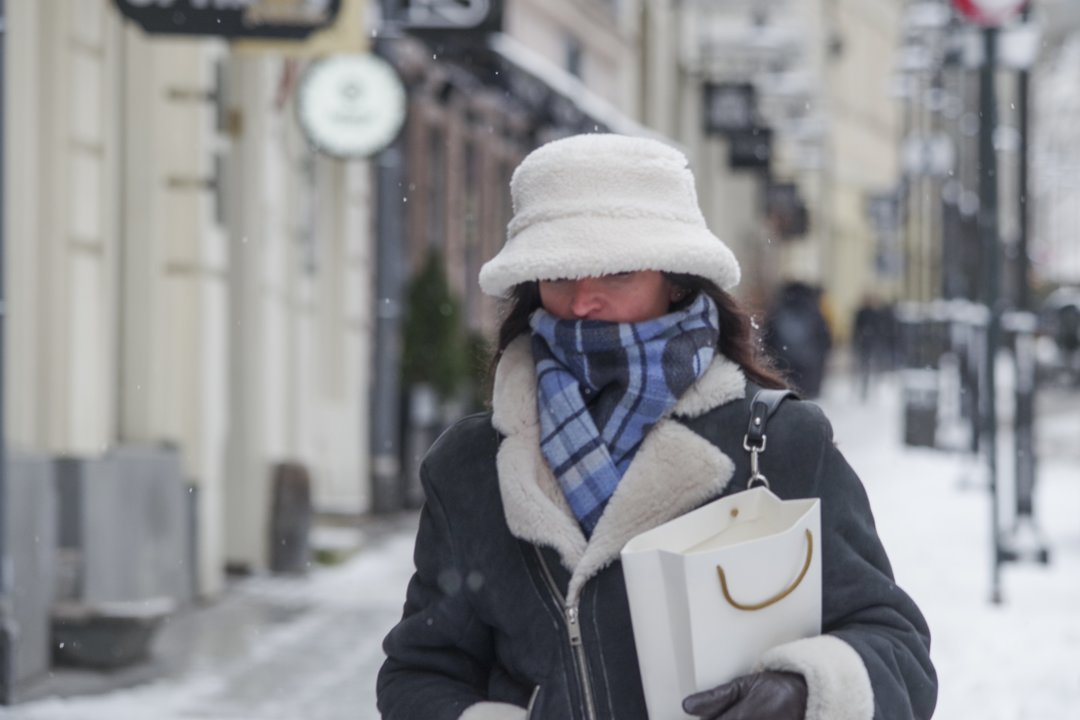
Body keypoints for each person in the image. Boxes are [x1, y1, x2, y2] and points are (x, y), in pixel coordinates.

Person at [376, 134, 937, 720]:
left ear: (677, 278)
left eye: (614, 272)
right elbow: (419, 674)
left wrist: (804, 691)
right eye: (558, 272)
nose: (582, 300)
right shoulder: (471, 465)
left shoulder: (779, 442)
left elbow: (897, 651)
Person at [763, 281, 832, 398]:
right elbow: (824, 339)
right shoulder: (813, 310)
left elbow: (767, 338)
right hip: (808, 369)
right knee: (806, 406)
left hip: (782, 368)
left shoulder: (778, 310)